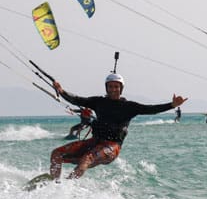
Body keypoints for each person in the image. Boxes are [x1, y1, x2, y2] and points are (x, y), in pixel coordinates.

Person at [49, 73, 187, 180]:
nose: (113, 89)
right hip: (94, 142)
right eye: (110, 86)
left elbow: (151, 109)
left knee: (86, 159)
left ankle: (68, 184)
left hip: (111, 147)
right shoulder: (98, 102)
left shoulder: (129, 107)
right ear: (106, 88)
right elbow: (77, 99)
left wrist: (172, 105)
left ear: (121, 88)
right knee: (56, 154)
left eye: (116, 86)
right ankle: (55, 182)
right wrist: (61, 90)